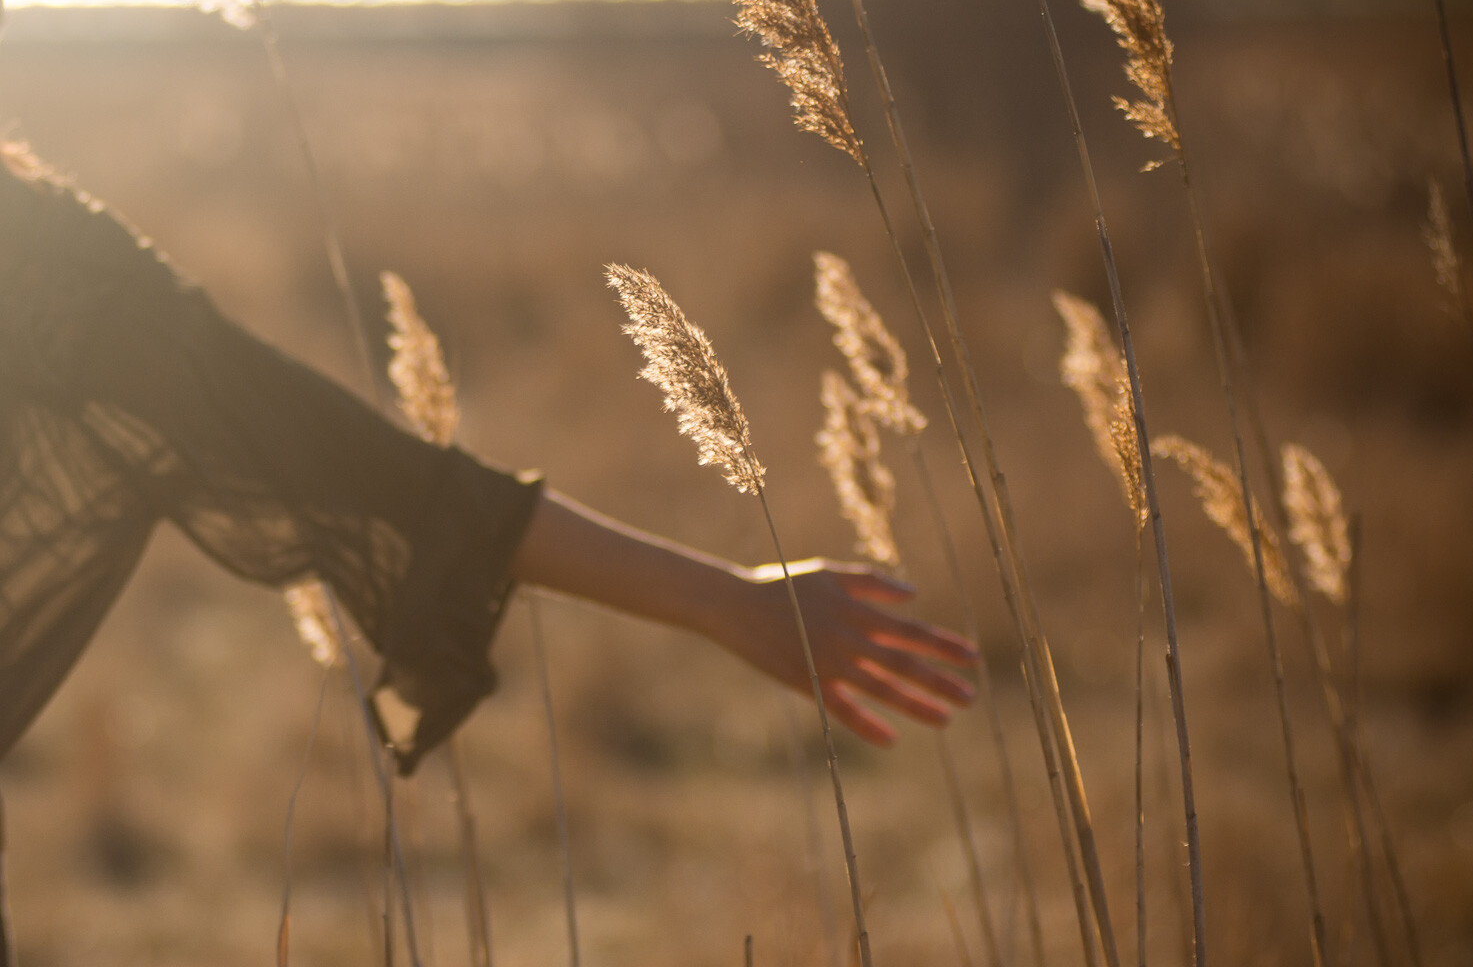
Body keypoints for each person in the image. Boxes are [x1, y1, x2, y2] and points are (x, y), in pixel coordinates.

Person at [0, 140, 976, 782]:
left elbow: (358, 466)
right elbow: (375, 475)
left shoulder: (45, 260)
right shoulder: (43, 256)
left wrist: (725, 599)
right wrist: (723, 599)